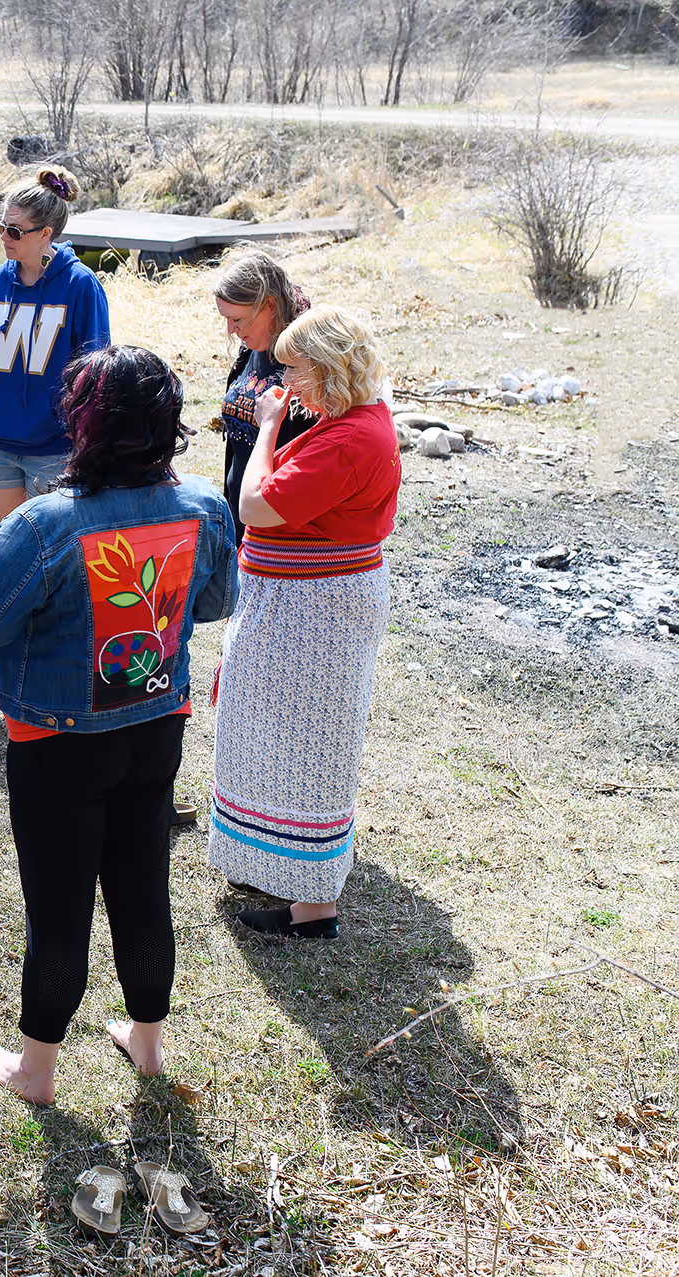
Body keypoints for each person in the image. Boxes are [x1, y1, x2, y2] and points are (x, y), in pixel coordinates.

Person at [0, 346, 237, 1103]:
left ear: (84, 423)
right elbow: (215, 602)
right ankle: (148, 1044)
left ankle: (37, 1070)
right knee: (142, 886)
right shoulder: (203, 506)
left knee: (59, 902)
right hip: (156, 725)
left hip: (56, 745)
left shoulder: (42, 524)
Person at [208, 305, 400, 940]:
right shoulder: (350, 421)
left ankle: (313, 905)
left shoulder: (351, 439)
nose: (284, 385)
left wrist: (266, 429)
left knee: (311, 745)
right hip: (301, 602)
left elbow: (257, 506)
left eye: (293, 371)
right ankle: (274, 864)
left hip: (315, 608)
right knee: (268, 729)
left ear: (326, 369)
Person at [0, 166, 111, 678]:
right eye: (1, 226)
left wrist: (89, 441)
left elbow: (96, 372)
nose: (5, 237)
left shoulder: (83, 288)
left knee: (55, 550)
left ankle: (53, 641)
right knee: (3, 546)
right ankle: (0, 639)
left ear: (47, 235)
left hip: (54, 445)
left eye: (15, 230)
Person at [208, 245, 316, 545]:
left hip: (283, 528)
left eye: (238, 319)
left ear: (270, 305)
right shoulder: (250, 350)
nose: (231, 329)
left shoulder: (306, 362)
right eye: (227, 319)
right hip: (241, 519)